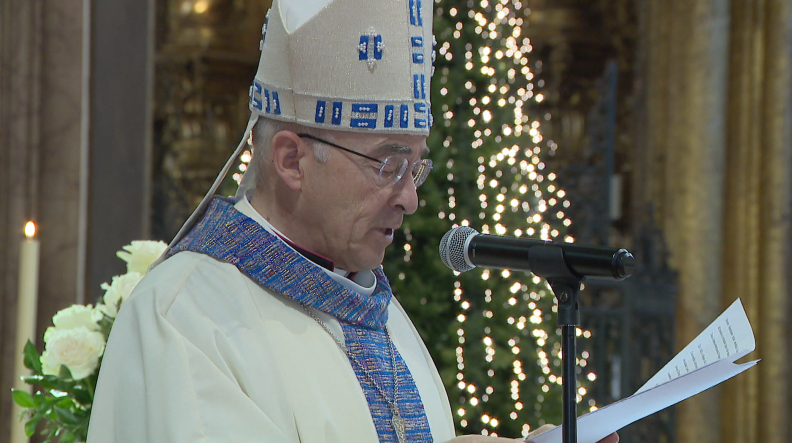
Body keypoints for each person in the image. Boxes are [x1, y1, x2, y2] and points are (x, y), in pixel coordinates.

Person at [86, 1, 619, 442]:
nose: (410, 198)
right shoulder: (187, 320)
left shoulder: (368, 303)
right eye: (388, 163)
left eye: (416, 167)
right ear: (292, 160)